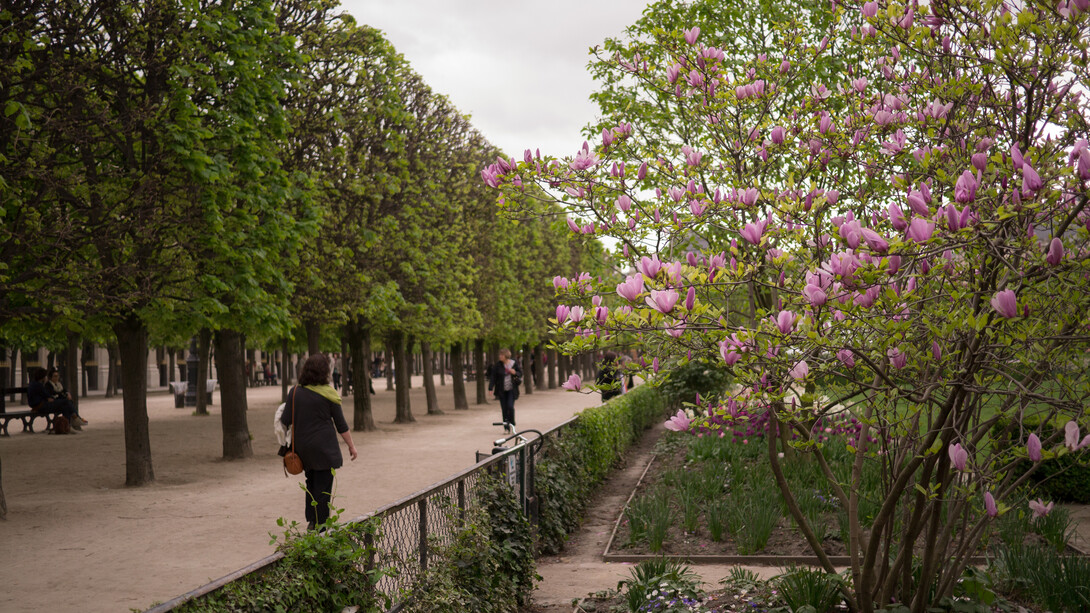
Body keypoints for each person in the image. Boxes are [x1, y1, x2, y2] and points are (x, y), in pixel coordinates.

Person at [280, 353, 358, 530]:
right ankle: (321, 526)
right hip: (325, 449)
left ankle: (312, 521)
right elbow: (341, 424)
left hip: (304, 449)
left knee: (311, 483)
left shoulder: (295, 392)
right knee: (323, 487)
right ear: (325, 372)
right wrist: (351, 446)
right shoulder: (329, 394)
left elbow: (285, 419)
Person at [490, 348, 522, 433]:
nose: (500, 356)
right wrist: (490, 388)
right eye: (500, 355)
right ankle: (506, 428)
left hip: (512, 389)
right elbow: (493, 377)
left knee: (510, 407)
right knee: (504, 409)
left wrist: (515, 372)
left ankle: (512, 423)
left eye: (502, 355)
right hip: (502, 390)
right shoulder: (498, 365)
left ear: (506, 355)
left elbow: (520, 373)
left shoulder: (514, 363)